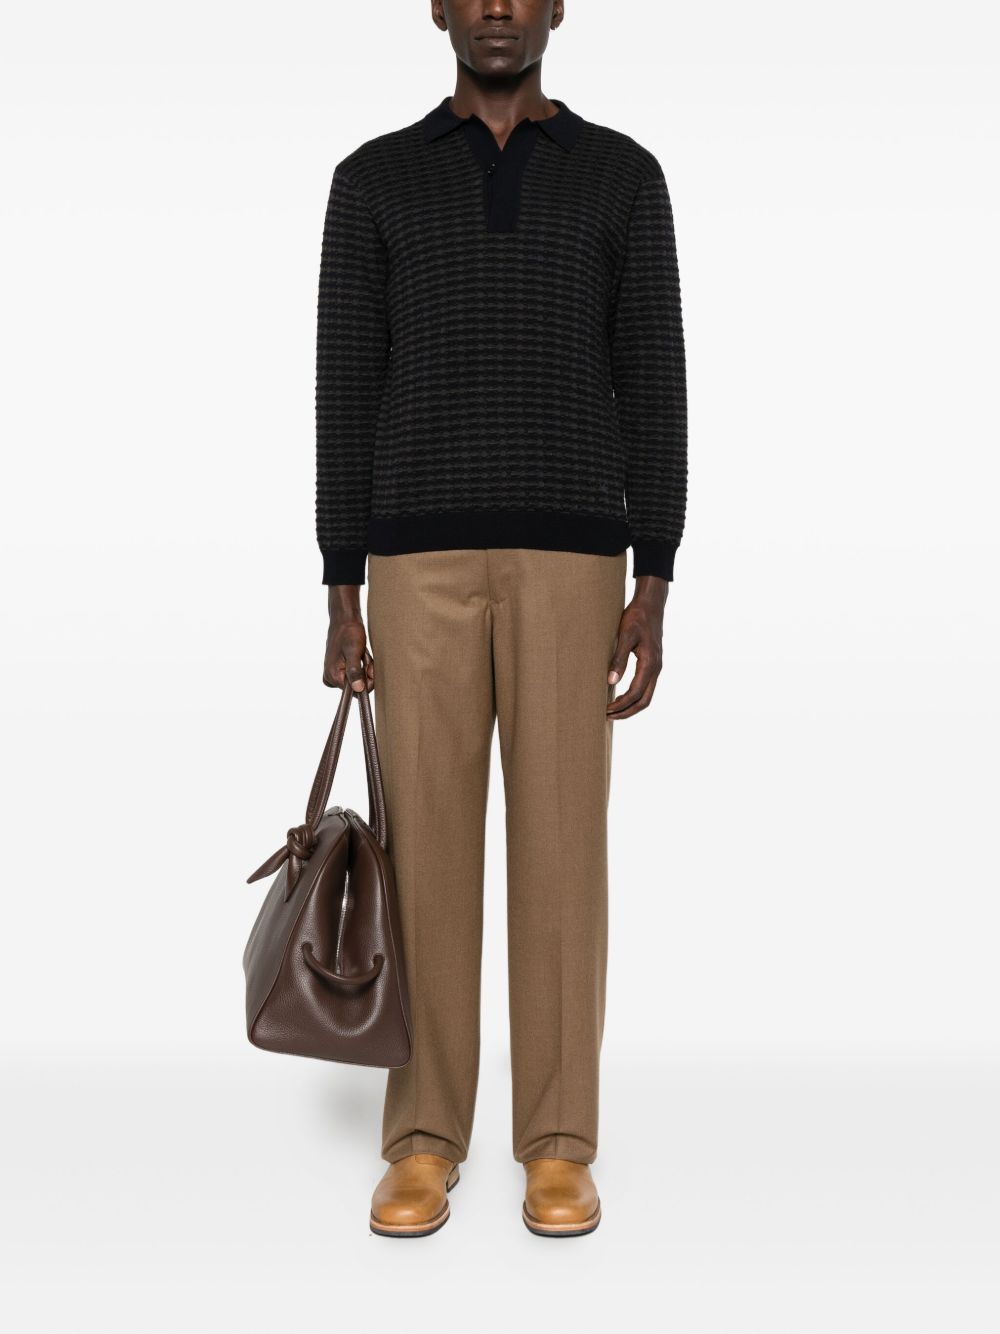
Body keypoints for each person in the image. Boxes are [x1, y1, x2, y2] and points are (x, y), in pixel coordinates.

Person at [317, 0, 686, 1238]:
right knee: (422, 854)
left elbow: (654, 374)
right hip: (414, 557)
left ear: (556, 6)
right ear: (435, 6)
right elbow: (344, 381)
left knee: (561, 857)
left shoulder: (621, 176)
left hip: (573, 557)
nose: (495, 7)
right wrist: (340, 584)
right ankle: (424, 1134)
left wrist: (653, 574)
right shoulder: (373, 180)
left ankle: (558, 1141)